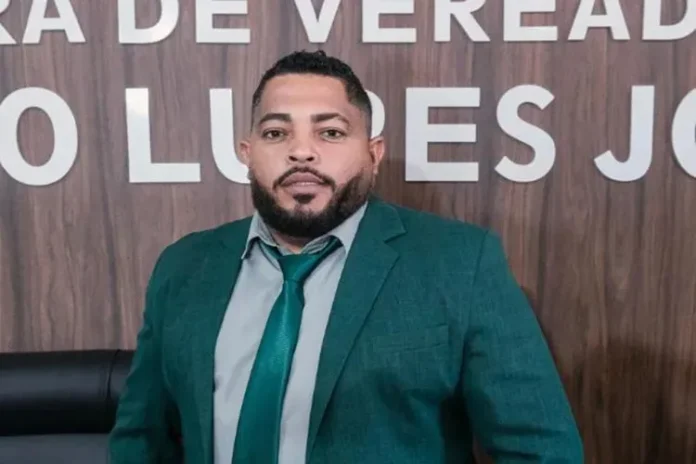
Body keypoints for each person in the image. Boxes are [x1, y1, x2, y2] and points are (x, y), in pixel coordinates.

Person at [108, 50, 584, 464]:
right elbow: (139, 441)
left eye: (331, 132)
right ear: (247, 153)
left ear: (373, 154)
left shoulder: (460, 263)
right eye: (276, 133)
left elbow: (540, 449)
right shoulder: (184, 267)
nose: (301, 151)